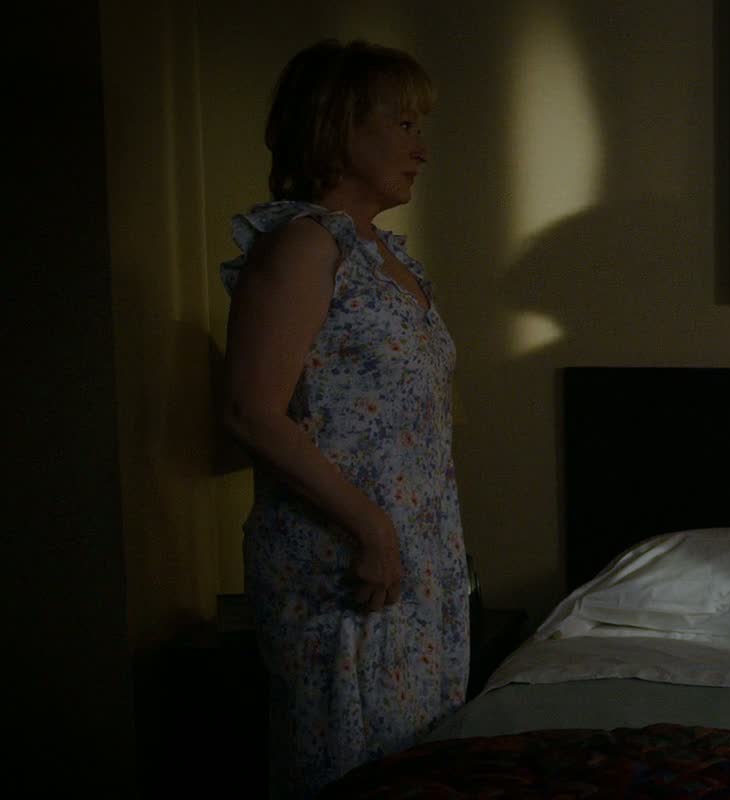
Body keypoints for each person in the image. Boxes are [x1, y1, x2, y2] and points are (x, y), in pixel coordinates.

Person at [220, 39, 468, 798]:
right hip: (341, 562)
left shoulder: (386, 256)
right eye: (403, 125)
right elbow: (251, 413)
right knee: (343, 769)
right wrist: (373, 530)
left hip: (414, 559)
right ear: (336, 125)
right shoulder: (303, 244)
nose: (422, 149)